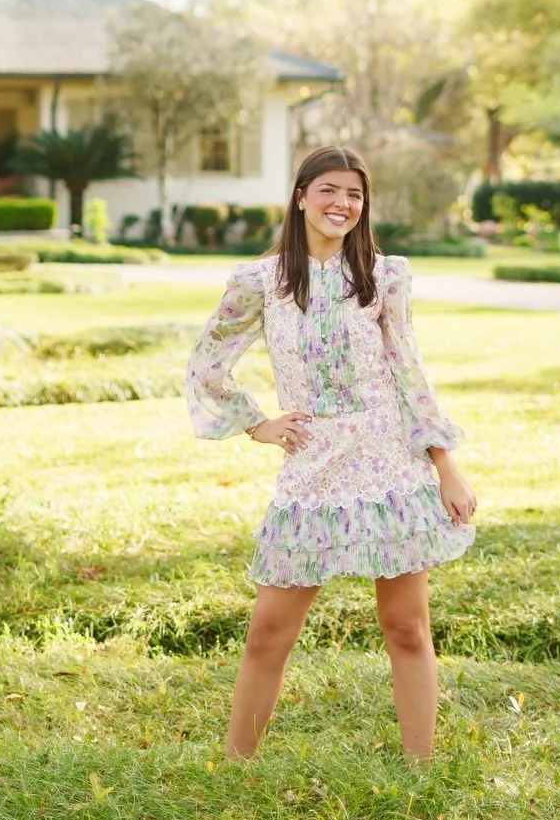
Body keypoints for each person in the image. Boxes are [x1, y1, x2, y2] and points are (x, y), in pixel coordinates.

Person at [185, 145, 477, 759]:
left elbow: (409, 372)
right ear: (300, 197)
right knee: (268, 632)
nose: (342, 204)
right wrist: (257, 425)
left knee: (405, 626)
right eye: (329, 190)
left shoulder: (384, 276)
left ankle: (419, 768)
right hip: (312, 467)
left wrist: (444, 465)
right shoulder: (258, 282)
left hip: (387, 462)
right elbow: (209, 361)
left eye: (354, 194)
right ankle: (236, 766)